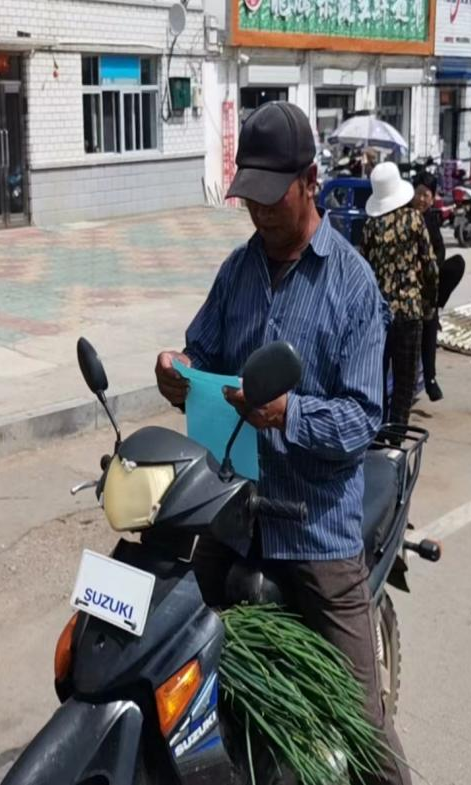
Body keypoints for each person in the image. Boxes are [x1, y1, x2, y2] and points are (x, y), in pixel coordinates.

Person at [154, 101, 409, 785]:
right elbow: (201, 348)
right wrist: (176, 370)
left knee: (366, 730)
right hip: (232, 516)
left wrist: (286, 414)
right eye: (249, 199)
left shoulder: (352, 286)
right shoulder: (237, 271)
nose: (258, 212)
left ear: (309, 181)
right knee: (165, 656)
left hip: (316, 533)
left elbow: (359, 420)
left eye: (271, 197)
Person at [360, 162, 437, 426]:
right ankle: (396, 441)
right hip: (410, 312)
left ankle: (377, 433)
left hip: (379, 317)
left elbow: (364, 271)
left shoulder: (370, 227)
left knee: (377, 381)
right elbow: (430, 266)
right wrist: (430, 302)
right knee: (404, 384)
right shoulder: (414, 220)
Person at [412, 173, 465, 403]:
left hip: (430, 280)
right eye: (419, 193)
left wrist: (432, 267)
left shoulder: (431, 220)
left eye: (427, 195)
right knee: (428, 319)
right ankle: (429, 379)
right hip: (409, 280)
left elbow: (440, 251)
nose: (422, 199)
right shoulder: (405, 217)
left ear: (432, 198)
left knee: (457, 264)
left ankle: (431, 379)